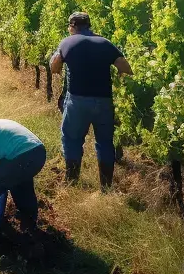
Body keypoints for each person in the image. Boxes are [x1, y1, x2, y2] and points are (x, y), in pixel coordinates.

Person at [49, 10, 132, 189]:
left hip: (77, 101)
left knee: (72, 139)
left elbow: (55, 67)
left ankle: (71, 182)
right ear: (89, 25)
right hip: (104, 101)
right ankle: (106, 187)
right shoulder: (105, 43)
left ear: (72, 26)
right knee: (104, 143)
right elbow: (125, 67)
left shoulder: (67, 42)